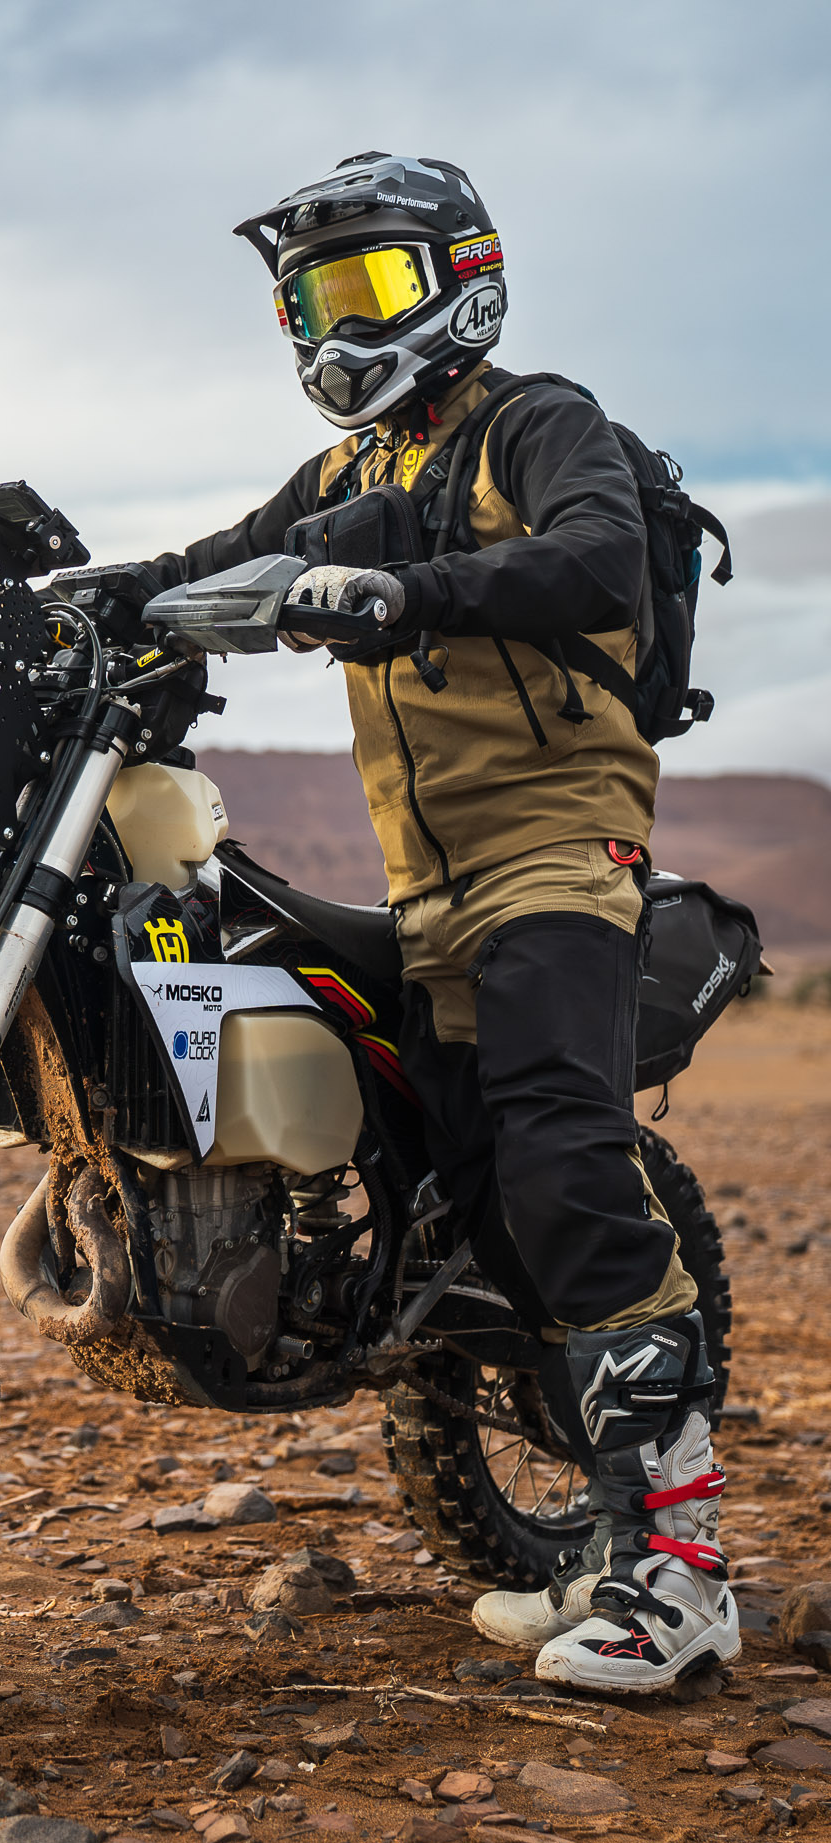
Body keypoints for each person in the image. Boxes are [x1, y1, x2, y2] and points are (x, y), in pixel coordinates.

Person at [131, 153, 736, 1693]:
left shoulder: (539, 422)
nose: (342, 325)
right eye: (316, 297)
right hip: (433, 883)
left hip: (555, 854)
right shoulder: (346, 481)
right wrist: (75, 591)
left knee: (557, 1153)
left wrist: (406, 594)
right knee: (480, 1206)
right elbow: (213, 566)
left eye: (373, 288)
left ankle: (681, 1574)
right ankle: (603, 1547)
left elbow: (595, 555)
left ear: (463, 278)